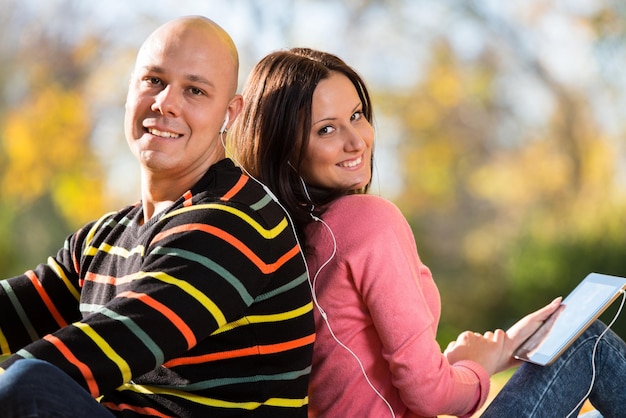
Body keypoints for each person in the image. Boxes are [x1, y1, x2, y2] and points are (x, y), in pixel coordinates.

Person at [230, 47, 626, 418]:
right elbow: (428, 395)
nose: (357, 141)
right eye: (326, 130)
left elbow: (360, 381)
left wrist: (503, 349)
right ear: (284, 146)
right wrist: (475, 369)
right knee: (586, 343)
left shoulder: (287, 240)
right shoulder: (366, 221)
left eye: (356, 115)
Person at [0, 16, 315, 417]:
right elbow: (15, 310)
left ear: (230, 114)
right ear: (130, 89)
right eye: (153, 80)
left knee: (26, 386)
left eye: (195, 90)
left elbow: (119, 339)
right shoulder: (106, 236)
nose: (166, 102)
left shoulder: (237, 219)